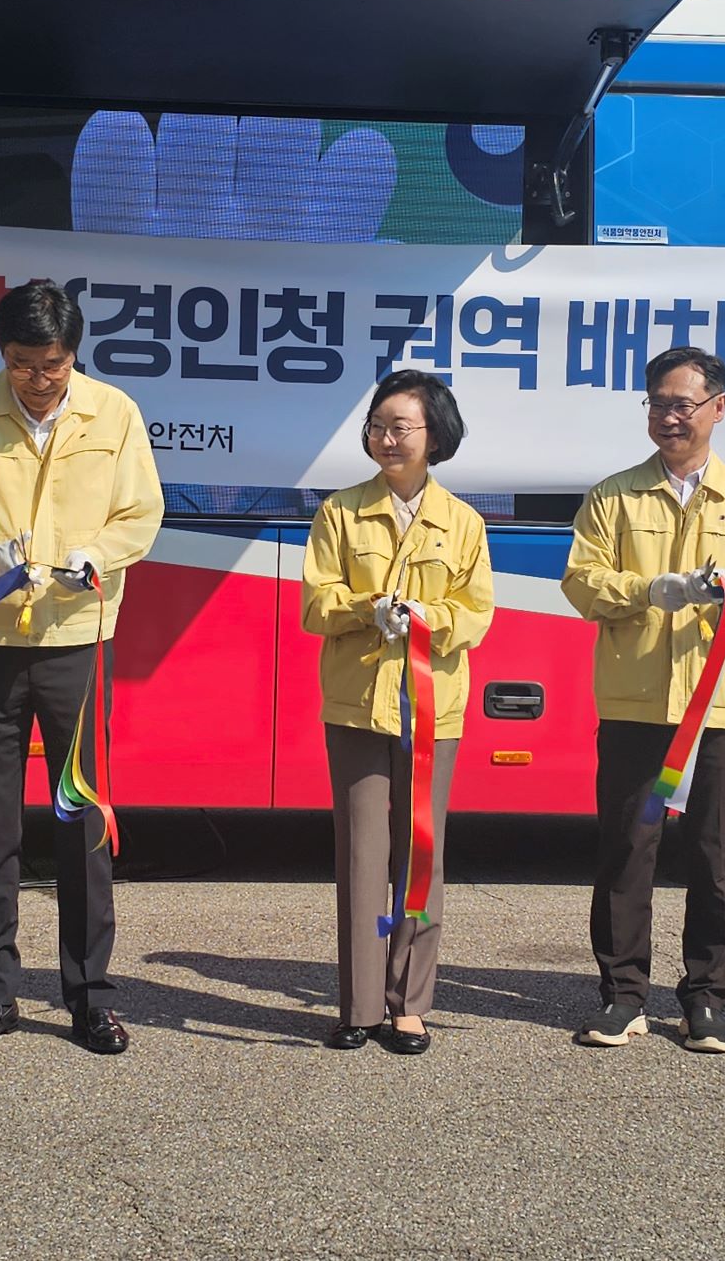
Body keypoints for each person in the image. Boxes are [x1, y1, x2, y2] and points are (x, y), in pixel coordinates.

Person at [0, 280, 163, 1055]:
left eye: (53, 365)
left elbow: (140, 513)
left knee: (81, 820)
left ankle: (89, 997)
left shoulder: (112, 413)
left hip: (77, 639)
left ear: (74, 353)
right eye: (22, 364)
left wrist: (99, 555)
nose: (39, 380)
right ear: (1, 353)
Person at [562, 347, 725, 1054]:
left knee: (718, 856)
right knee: (627, 851)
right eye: (659, 404)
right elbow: (581, 583)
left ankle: (707, 999)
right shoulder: (614, 496)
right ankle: (622, 996)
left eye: (684, 405)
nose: (670, 417)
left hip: (719, 708)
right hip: (637, 705)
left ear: (718, 408)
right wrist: (650, 590)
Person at [302, 370, 494, 1055]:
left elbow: (476, 614)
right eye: (377, 426)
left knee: (420, 855)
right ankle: (358, 1005)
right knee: (361, 855)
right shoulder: (341, 512)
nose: (386, 438)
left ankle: (409, 1003)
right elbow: (315, 604)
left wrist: (428, 618)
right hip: (358, 706)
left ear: (434, 436)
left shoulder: (463, 522)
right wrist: (367, 609)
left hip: (432, 710)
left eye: (400, 427)